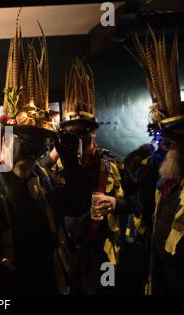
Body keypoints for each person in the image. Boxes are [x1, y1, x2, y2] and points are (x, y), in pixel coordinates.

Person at [0, 23, 90, 294]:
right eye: (25, 142)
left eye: (41, 144)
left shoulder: (43, 178)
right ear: (4, 137)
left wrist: (69, 159)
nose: (35, 151)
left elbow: (77, 204)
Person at [42, 58, 135, 294]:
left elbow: (138, 202)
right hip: (66, 251)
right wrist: (56, 152)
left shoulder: (111, 164)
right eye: (74, 135)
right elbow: (35, 177)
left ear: (94, 134)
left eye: (85, 134)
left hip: (102, 254)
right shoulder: (57, 165)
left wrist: (115, 202)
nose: (80, 140)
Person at [133, 29, 184, 294]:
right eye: (165, 141)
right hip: (162, 276)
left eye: (171, 142)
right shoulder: (166, 181)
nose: (165, 147)